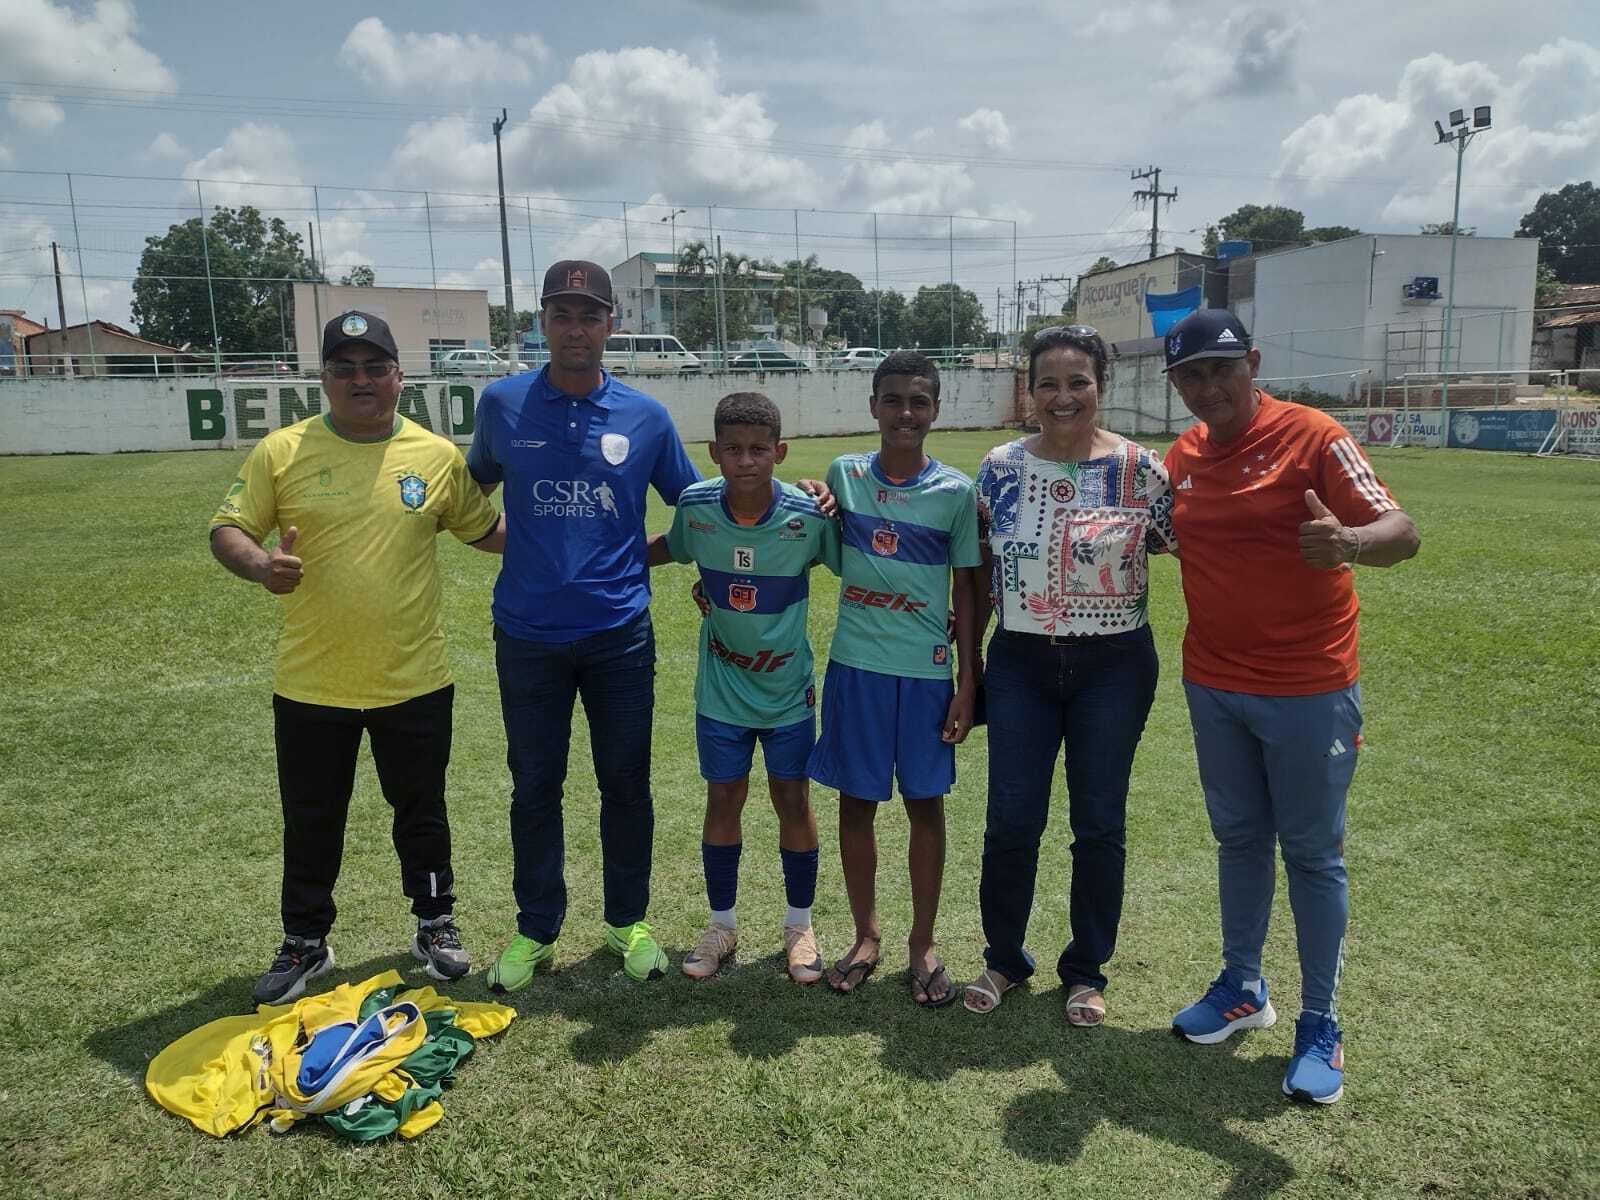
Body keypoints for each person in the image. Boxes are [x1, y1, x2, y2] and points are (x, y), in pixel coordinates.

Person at [468, 261, 833, 989]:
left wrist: (805, 492)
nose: (576, 327)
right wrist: (511, 542)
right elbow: (469, 493)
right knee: (534, 786)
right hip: (528, 634)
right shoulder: (501, 404)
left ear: (611, 325)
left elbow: (705, 499)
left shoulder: (644, 416)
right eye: (562, 313)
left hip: (618, 633)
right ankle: (535, 930)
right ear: (542, 321)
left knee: (625, 784)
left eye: (589, 314)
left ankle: (626, 923)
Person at [209, 310, 506, 1005]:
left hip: (415, 679)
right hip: (313, 684)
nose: (360, 380)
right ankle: (305, 942)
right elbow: (228, 528)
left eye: (374, 367)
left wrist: (581, 536)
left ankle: (435, 924)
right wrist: (260, 565)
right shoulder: (282, 452)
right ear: (325, 379)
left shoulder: (434, 457)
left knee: (423, 813)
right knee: (312, 819)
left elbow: (487, 531)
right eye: (344, 368)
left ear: (400, 376)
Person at [1161, 310, 1419, 1105]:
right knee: (1239, 838)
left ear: (1254, 363)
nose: (1209, 388)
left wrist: (1349, 543)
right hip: (1213, 680)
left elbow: (1402, 531)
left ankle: (1320, 1024)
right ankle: (1244, 987)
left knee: (1310, 853)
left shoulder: (1314, 435)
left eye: (1221, 369)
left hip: (1309, 686)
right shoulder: (1184, 454)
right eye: (1191, 376)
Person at [962, 325, 1175, 1025]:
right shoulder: (996, 468)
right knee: (1012, 820)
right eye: (1047, 382)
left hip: (1113, 668)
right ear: (1029, 389)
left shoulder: (1143, 471)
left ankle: (1086, 970)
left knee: (1099, 823)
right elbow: (973, 574)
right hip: (1020, 662)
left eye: (1077, 381)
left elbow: (1201, 550)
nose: (1062, 397)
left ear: (1101, 387)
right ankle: (1004, 959)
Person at [646, 392, 839, 984]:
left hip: (787, 694)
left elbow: (856, 561)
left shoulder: (808, 517)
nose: (746, 460)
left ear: (779, 452)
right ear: (715, 452)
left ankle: (799, 926)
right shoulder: (697, 507)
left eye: (759, 449)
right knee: (724, 799)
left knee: (792, 801)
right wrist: (596, 562)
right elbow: (668, 549)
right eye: (733, 449)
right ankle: (722, 925)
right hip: (722, 694)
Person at [809, 351, 981, 1008]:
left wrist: (967, 684)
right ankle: (866, 935)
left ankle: (922, 943)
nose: (905, 414)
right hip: (857, 669)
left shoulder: (956, 493)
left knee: (924, 806)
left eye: (919, 401)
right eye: (893, 400)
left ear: (935, 409)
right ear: (873, 405)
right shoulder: (843, 476)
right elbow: (806, 544)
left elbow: (966, 591)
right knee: (856, 803)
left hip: (926, 676)